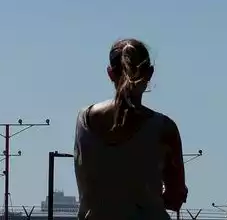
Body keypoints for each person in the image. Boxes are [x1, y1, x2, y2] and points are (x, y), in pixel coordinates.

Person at [73, 38, 188, 220]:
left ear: (110, 73)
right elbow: (175, 197)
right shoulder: (164, 128)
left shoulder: (84, 119)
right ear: (149, 73)